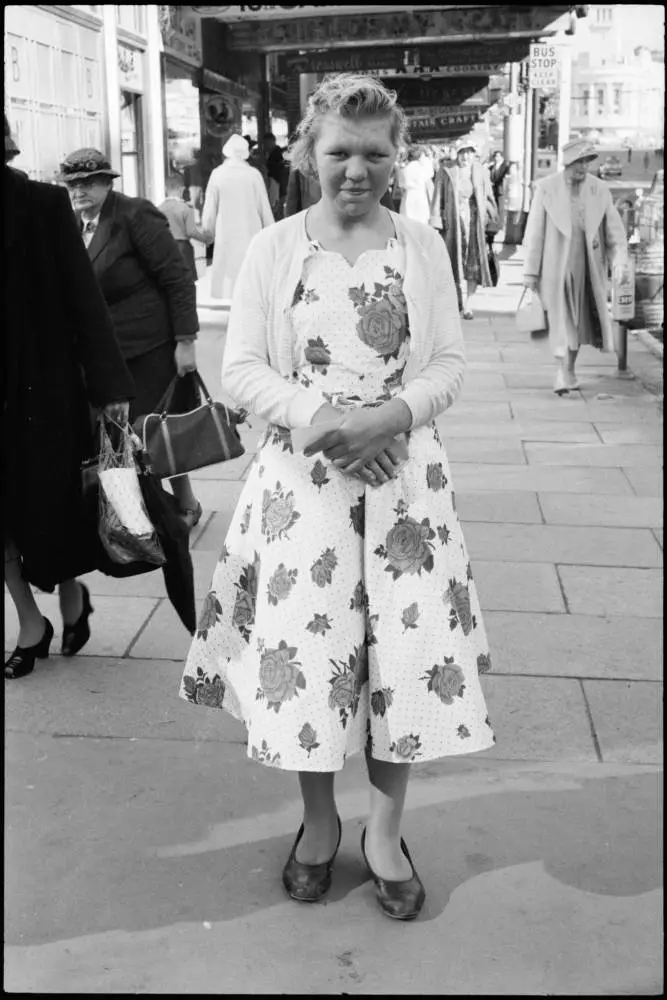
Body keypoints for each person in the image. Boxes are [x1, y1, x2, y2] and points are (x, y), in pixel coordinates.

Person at [179, 73, 495, 921]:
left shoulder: (422, 247)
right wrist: (326, 422)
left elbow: (450, 365)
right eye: (339, 153)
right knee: (308, 664)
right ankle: (318, 826)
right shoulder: (274, 247)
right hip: (301, 489)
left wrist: (388, 417)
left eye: (375, 153)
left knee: (407, 659)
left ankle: (385, 833)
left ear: (397, 157)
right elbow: (241, 366)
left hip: (404, 489)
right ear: (307, 153)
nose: (357, 170)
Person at [4, 123, 134, 679]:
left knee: (47, 509)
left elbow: (84, 299)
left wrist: (110, 389)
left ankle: (70, 592)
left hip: (39, 386)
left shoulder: (42, 203)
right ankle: (30, 623)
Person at [58, 148, 202, 528]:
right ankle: (137, 515)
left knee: (154, 431)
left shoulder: (134, 214)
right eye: (72, 184)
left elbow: (177, 276)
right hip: (103, 354)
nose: (79, 191)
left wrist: (186, 340)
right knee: (116, 436)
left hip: (148, 347)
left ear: (108, 181)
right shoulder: (73, 224)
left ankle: (185, 501)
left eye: (88, 182)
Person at [522, 138, 629, 395]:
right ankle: (564, 371)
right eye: (579, 162)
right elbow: (535, 232)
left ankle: (568, 368)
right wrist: (530, 271)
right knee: (564, 319)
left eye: (587, 162)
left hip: (587, 267)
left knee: (579, 321)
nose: (584, 167)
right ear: (568, 162)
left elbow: (614, 231)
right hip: (554, 267)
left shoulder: (599, 190)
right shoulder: (546, 188)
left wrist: (620, 260)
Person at [201, 133, 274, 301]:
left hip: (225, 231)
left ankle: (228, 300)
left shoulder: (217, 174)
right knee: (250, 270)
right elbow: (264, 207)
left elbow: (210, 208)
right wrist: (271, 233)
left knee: (227, 271)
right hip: (251, 231)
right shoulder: (253, 174)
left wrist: (207, 232)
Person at [429, 140, 498, 319]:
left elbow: (489, 198)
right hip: (452, 224)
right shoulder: (445, 171)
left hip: (475, 224)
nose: (465, 157)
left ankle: (468, 305)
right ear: (456, 154)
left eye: (469, 152)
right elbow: (437, 198)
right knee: (452, 263)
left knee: (472, 265)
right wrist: (436, 221)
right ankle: (457, 299)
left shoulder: (481, 172)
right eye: (462, 152)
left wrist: (492, 222)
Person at [158, 172, 210, 282]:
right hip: (182, 249)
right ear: (182, 189)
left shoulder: (158, 209)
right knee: (187, 283)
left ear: (166, 188)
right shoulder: (185, 208)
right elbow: (191, 232)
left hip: (164, 249)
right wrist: (206, 239)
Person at [398, 145, 434, 225]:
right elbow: (431, 174)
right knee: (421, 222)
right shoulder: (423, 168)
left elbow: (401, 185)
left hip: (408, 197)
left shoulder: (404, 169)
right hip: (420, 196)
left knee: (408, 222)